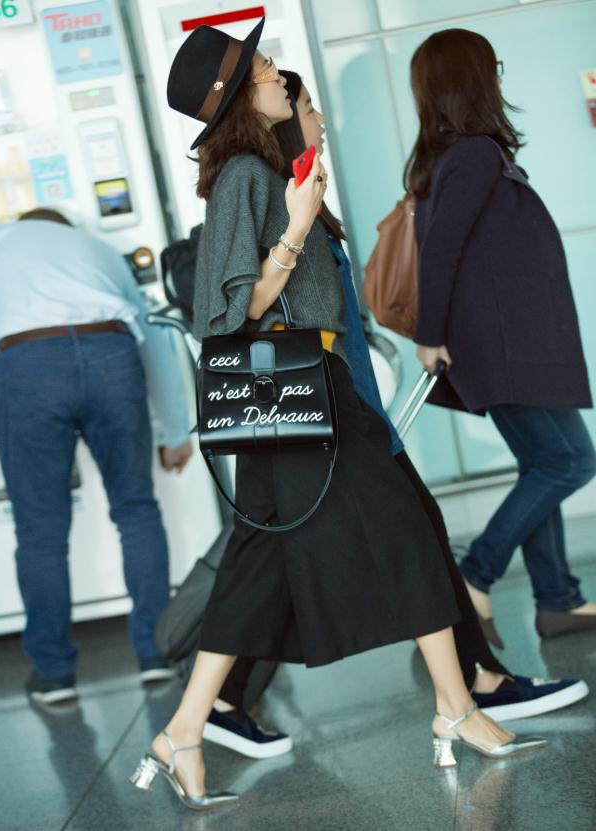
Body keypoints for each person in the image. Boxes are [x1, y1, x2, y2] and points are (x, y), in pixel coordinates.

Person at [129, 19, 546, 812]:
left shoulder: (266, 169)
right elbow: (228, 311)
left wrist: (302, 208)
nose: (280, 75)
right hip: (298, 392)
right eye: (264, 69)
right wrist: (294, 227)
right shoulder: (246, 178)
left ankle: (184, 730)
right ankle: (457, 705)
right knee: (409, 532)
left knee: (255, 571)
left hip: (310, 391)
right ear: (237, 96)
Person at [405, 29, 596, 648]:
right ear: (474, 80)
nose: (500, 78)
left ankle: (558, 600)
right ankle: (475, 574)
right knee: (571, 460)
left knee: (544, 462)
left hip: (506, 345)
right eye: (496, 68)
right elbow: (441, 252)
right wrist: (429, 335)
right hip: (509, 347)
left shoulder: (451, 157)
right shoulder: (475, 154)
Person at [0, 209, 193, 704]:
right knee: (136, 508)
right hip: (111, 352)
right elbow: (153, 340)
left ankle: (54, 675)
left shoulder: (2, 243)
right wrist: (175, 430)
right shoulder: (100, 250)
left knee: (40, 530)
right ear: (67, 229)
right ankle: (155, 653)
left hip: (28, 360)